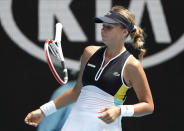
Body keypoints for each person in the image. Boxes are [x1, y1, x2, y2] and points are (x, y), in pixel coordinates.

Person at [25, 5, 154, 131]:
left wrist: (120, 110)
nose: (103, 30)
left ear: (124, 31)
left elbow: (148, 106)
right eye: (103, 26)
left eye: (109, 27)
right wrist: (43, 111)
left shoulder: (131, 65)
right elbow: (76, 92)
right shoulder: (89, 53)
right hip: (74, 124)